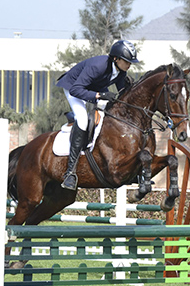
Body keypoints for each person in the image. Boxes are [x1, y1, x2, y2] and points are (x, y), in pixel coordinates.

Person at [56, 40, 139, 190]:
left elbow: (122, 95)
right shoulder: (98, 66)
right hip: (73, 88)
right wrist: (100, 95)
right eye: (127, 61)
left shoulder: (121, 71)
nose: (129, 65)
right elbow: (77, 89)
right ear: (116, 59)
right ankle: (70, 173)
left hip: (92, 89)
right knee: (82, 120)